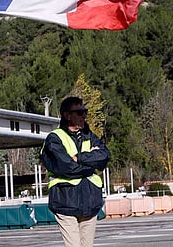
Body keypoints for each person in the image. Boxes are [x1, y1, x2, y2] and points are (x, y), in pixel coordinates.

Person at [40, 97, 110, 247]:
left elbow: (104, 157)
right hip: (65, 201)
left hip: (90, 202)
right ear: (67, 115)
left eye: (85, 112)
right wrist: (91, 163)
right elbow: (66, 168)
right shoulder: (54, 138)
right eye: (79, 112)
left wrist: (79, 158)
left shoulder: (89, 135)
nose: (84, 115)